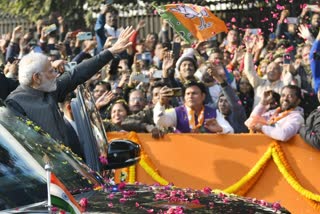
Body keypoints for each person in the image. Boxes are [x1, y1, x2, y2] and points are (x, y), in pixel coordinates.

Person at [5, 26, 134, 150]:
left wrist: (111, 51)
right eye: (51, 72)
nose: (56, 75)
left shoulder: (49, 90)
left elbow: (77, 73)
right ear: (37, 77)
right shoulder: (15, 103)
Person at [153, 80, 232, 133]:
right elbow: (160, 121)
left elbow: (230, 131)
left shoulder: (213, 113)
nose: (190, 96)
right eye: (187, 94)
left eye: (194, 93)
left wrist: (220, 129)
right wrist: (161, 103)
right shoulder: (176, 112)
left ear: (203, 96)